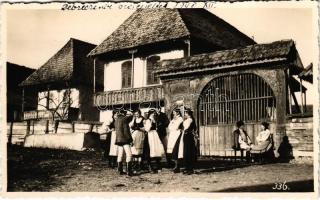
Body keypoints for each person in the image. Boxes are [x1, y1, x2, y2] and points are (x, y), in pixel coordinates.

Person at [144, 109, 165, 173]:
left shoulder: (155, 120)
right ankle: (150, 166)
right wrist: (150, 122)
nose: (154, 114)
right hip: (150, 136)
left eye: (154, 113)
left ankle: (157, 166)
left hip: (155, 135)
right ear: (150, 114)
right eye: (153, 113)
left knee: (156, 149)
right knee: (150, 150)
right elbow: (147, 129)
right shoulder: (148, 120)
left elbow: (156, 128)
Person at [114, 109, 134, 176]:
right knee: (129, 154)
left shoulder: (116, 120)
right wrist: (130, 140)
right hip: (125, 140)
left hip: (118, 140)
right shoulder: (124, 119)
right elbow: (126, 131)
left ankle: (120, 171)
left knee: (120, 154)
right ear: (124, 114)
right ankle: (129, 172)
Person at [167, 108, 184, 173]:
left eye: (174, 112)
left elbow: (176, 127)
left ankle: (177, 166)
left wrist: (173, 125)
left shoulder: (180, 119)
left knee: (176, 149)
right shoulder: (173, 119)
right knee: (172, 150)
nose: (173, 113)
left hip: (177, 134)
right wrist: (172, 123)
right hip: (172, 134)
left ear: (177, 113)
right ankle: (175, 165)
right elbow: (169, 127)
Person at [182, 109, 197, 175]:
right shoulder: (188, 120)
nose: (185, 114)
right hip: (186, 136)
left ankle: (189, 169)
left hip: (188, 136)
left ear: (188, 114)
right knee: (186, 151)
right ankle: (187, 168)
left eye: (185, 113)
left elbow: (186, 127)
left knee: (188, 152)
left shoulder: (190, 120)